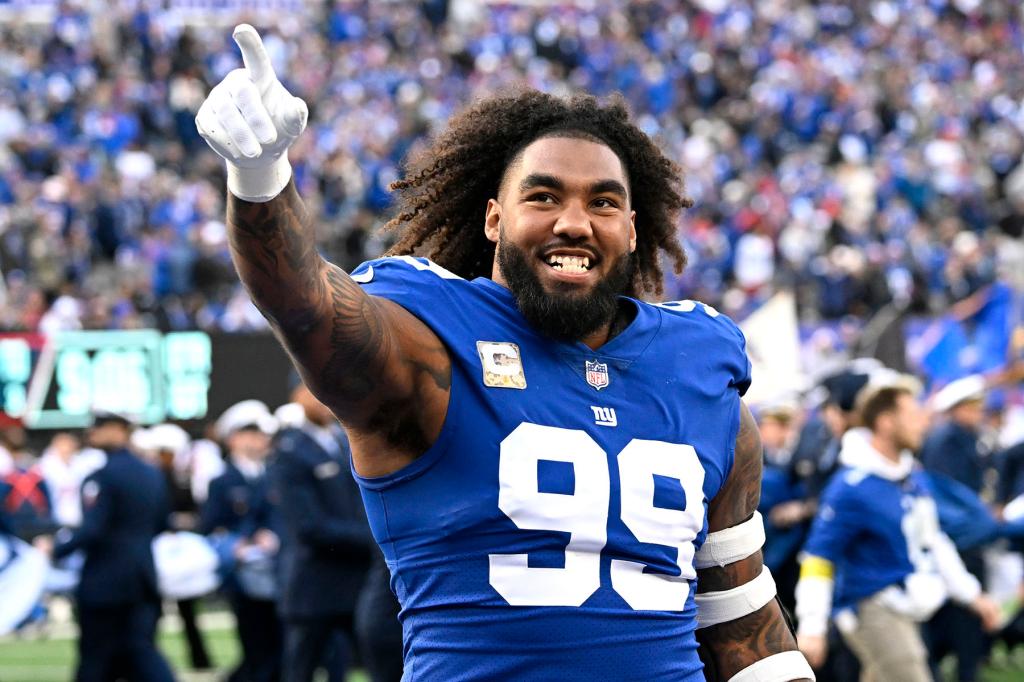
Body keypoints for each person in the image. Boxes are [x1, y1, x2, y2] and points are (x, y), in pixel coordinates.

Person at [196, 25, 813, 681]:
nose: (574, 222)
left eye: (603, 203)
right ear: (495, 220)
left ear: (632, 232)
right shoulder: (431, 339)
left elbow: (742, 620)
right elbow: (307, 305)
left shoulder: (696, 369)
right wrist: (260, 176)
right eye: (543, 196)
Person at [795, 376, 1002, 682]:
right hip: (874, 611)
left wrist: (972, 594)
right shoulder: (852, 488)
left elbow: (933, 541)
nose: (922, 422)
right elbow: (817, 559)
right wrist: (812, 626)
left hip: (906, 609)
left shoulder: (911, 477)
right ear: (886, 422)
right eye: (912, 415)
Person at [47, 411, 175, 682]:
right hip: (142, 578)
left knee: (98, 659)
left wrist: (55, 550)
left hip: (105, 583)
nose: (92, 433)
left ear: (119, 430)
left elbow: (93, 530)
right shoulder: (152, 474)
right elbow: (162, 523)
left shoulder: (103, 477)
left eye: (99, 427)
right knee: (137, 651)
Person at [269, 380, 382, 682]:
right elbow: (309, 526)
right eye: (315, 391)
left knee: (375, 662)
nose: (326, 400)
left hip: (355, 579)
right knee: (301, 669)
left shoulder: (344, 441)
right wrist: (372, 539)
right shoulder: (290, 450)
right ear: (298, 396)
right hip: (314, 584)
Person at [200, 399, 282, 682]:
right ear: (234, 438)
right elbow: (211, 526)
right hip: (243, 575)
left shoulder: (271, 474)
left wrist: (271, 536)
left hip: (275, 569)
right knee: (256, 644)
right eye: (252, 433)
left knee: (277, 647)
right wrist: (241, 542)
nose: (260, 440)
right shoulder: (223, 480)